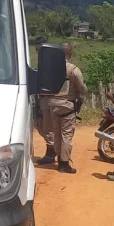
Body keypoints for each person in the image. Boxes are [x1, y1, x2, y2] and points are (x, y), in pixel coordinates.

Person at [49, 42, 87, 174]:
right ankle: (64, 164)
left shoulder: (51, 68)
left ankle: (59, 159)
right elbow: (82, 88)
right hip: (67, 105)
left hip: (53, 104)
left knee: (57, 133)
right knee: (66, 135)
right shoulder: (73, 70)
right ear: (70, 53)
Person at [33, 36, 57, 165]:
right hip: (41, 97)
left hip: (48, 98)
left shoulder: (50, 62)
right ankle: (53, 148)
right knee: (40, 124)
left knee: (48, 127)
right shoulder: (42, 61)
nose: (38, 53)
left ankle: (51, 153)